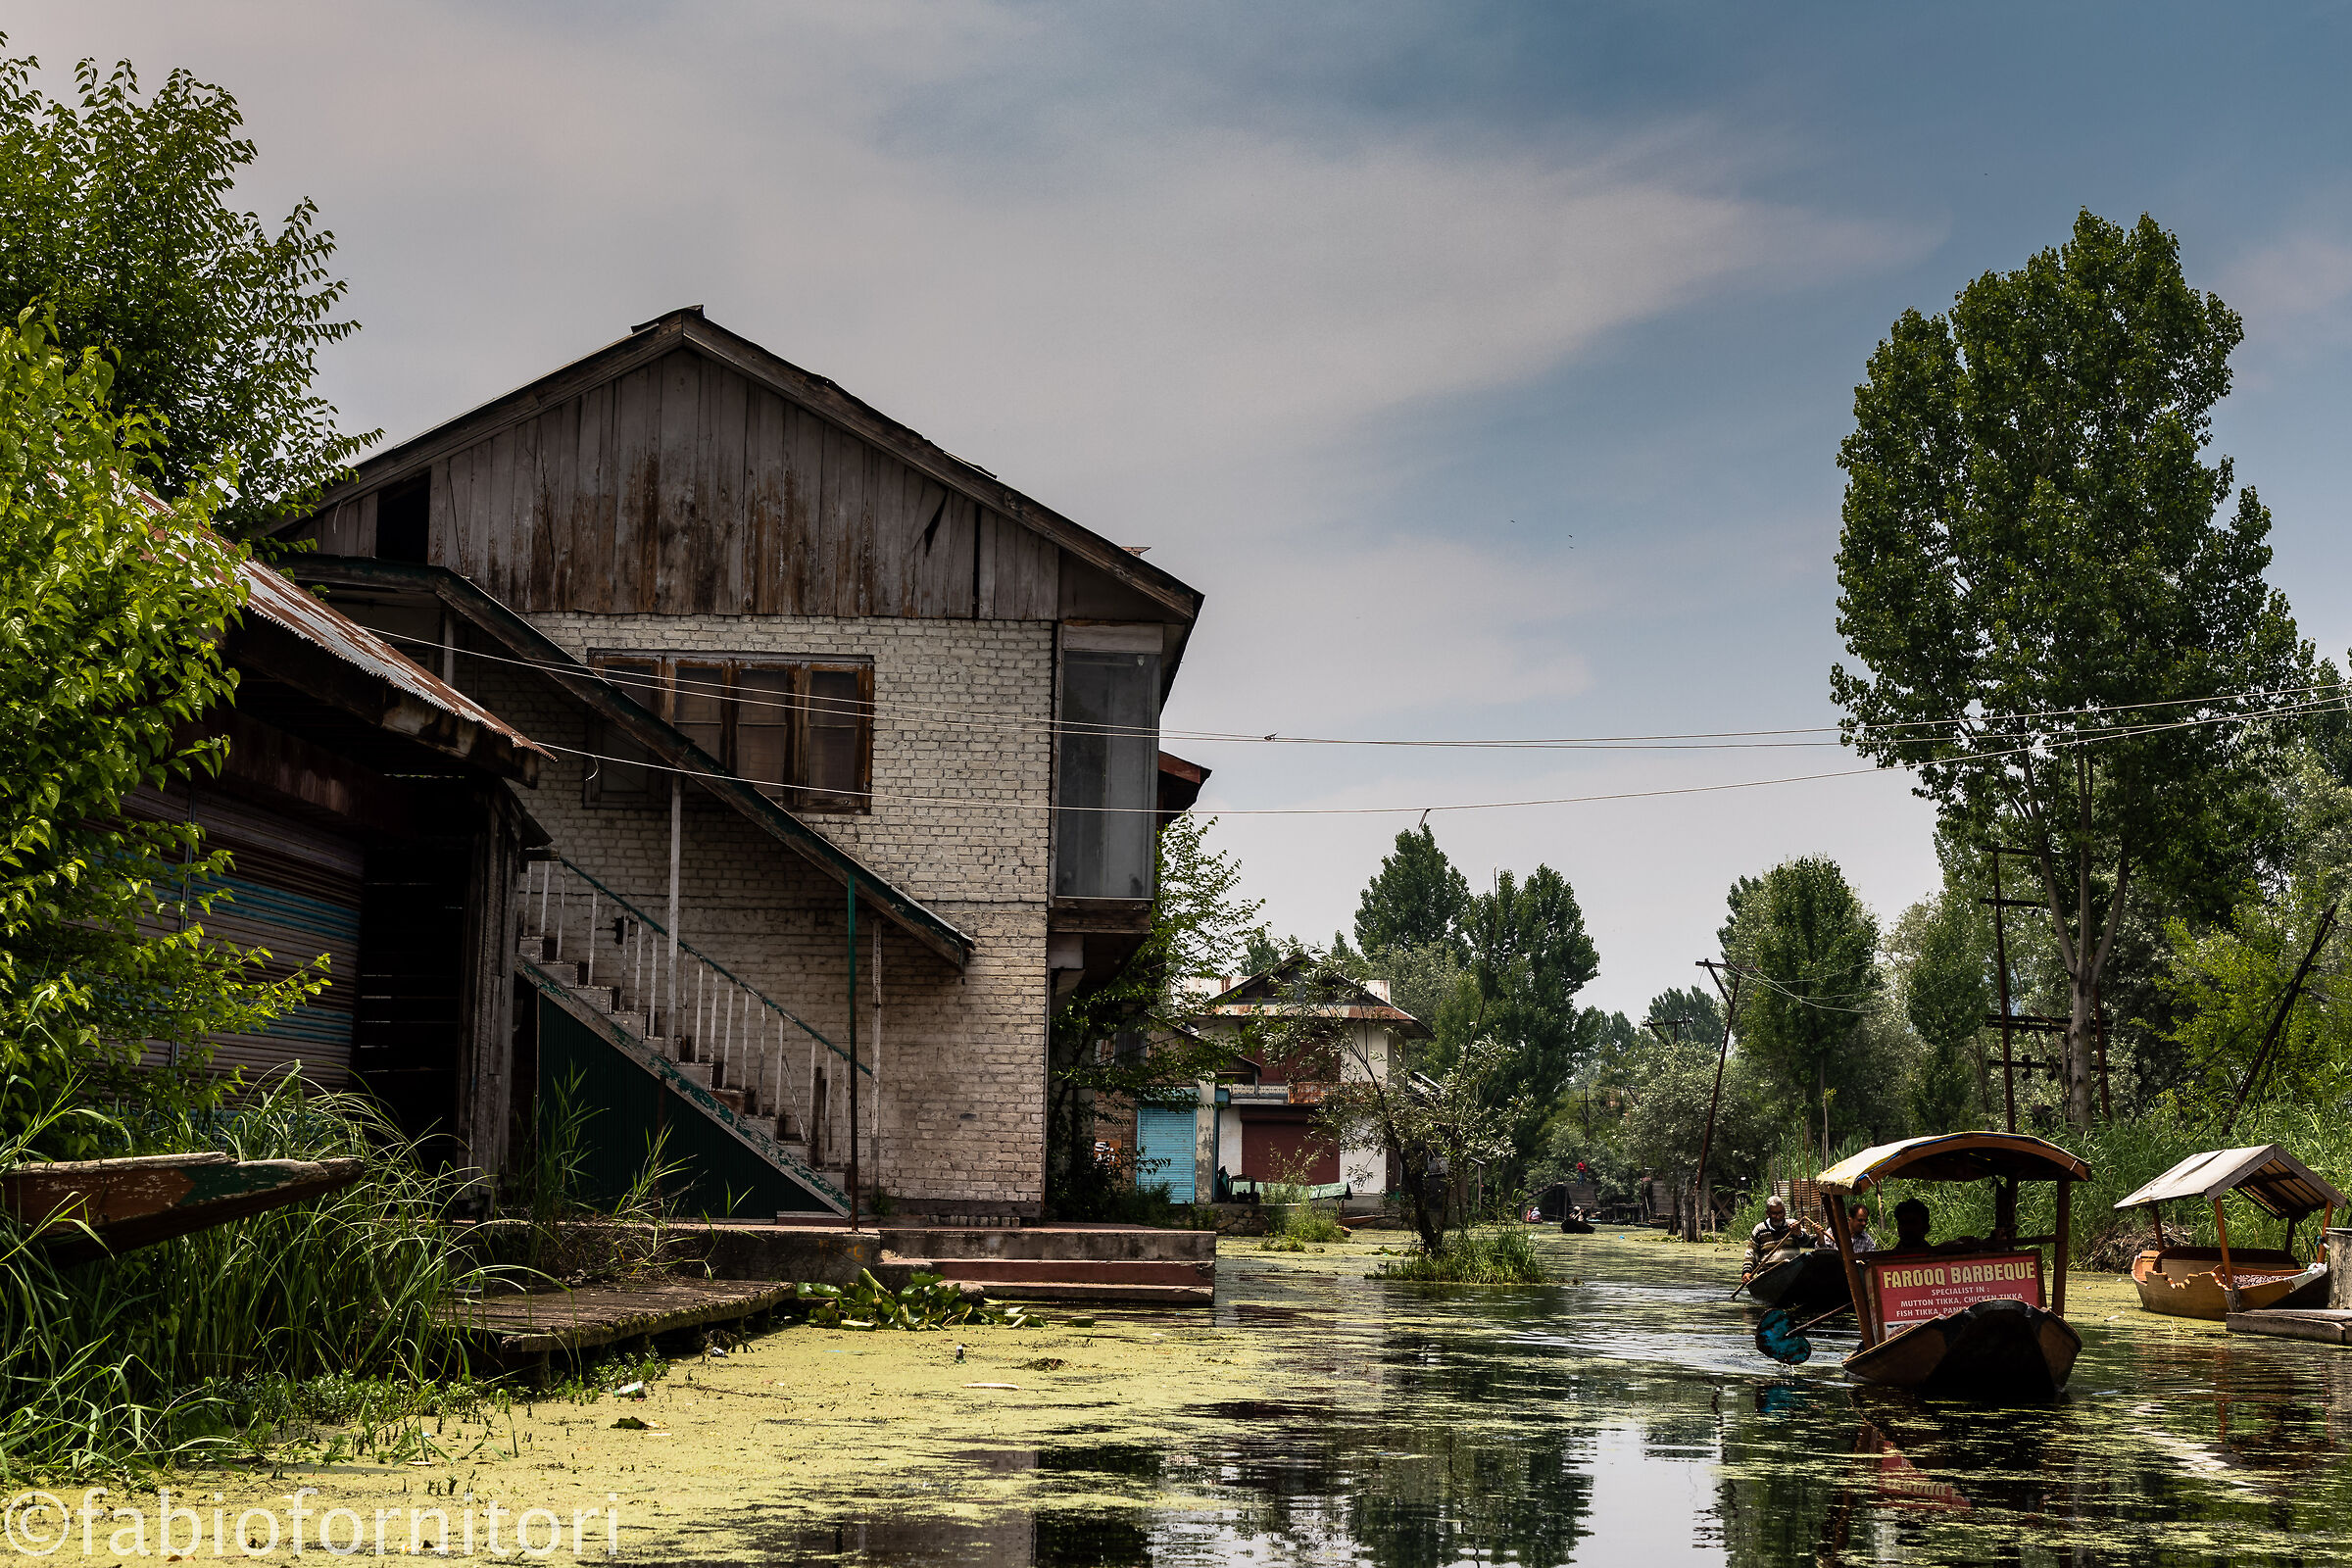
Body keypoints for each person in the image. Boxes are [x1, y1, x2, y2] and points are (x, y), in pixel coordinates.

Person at [1743, 1195, 1815, 1279]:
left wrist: (1798, 1233)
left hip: (1792, 1271)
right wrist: (1747, 1272)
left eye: (1780, 1213)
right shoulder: (1759, 1229)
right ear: (1767, 1213)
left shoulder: (1793, 1225)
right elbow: (1751, 1252)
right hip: (1768, 1273)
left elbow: (1806, 1242)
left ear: (1784, 1212)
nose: (1778, 1217)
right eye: (1774, 1214)